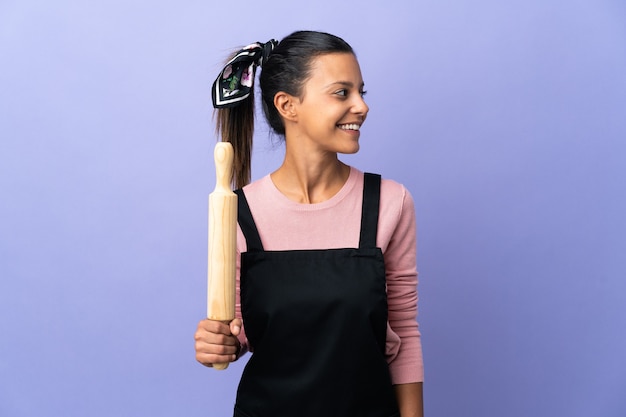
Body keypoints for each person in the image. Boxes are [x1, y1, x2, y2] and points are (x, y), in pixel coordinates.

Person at [195, 30, 424, 417]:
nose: (361, 107)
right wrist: (217, 342)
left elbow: (404, 332)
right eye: (342, 92)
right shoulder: (238, 214)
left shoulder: (388, 203)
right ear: (288, 105)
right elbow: (237, 332)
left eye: (361, 92)